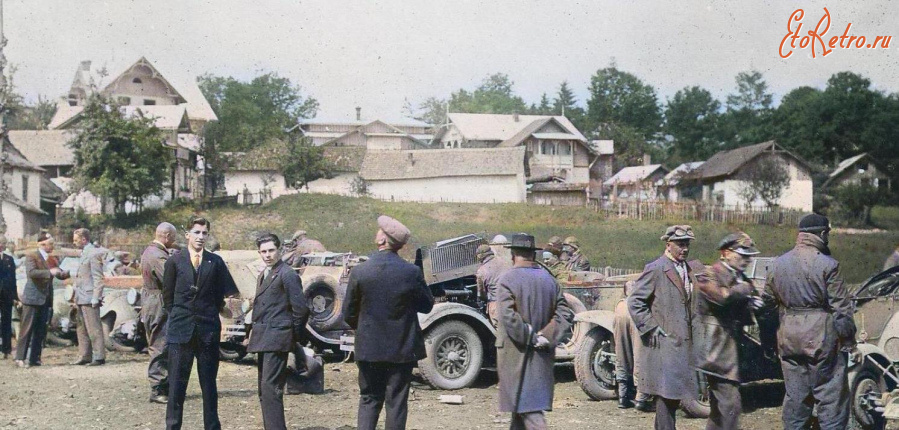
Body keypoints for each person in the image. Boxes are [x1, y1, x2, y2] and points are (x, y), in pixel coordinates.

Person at [761, 214, 857, 429]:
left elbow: (766, 307)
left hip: (788, 338)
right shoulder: (828, 265)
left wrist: (769, 340)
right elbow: (841, 310)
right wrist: (849, 341)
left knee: (795, 398)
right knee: (831, 400)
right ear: (822, 234)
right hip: (821, 338)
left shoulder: (777, 264)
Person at [343, 215, 434, 430]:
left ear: (382, 240)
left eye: (378, 232)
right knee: (396, 403)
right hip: (401, 351)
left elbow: (348, 313)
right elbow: (427, 305)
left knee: (369, 400)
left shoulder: (360, 271)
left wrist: (365, 330)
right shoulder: (411, 272)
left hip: (369, 349)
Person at [163, 216, 238, 430]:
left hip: (207, 332)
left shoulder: (215, 262)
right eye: (196, 232)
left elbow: (224, 296)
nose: (201, 237)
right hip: (181, 333)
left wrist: (212, 313)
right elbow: (167, 299)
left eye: (205, 233)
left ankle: (212, 427)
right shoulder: (174, 261)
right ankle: (173, 426)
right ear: (187, 235)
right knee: (177, 386)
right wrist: (181, 318)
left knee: (209, 386)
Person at [628, 225, 704, 430]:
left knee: (671, 397)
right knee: (666, 396)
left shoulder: (688, 269)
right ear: (668, 244)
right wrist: (651, 327)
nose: (685, 249)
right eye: (680, 244)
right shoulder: (656, 268)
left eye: (687, 244)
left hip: (682, 344)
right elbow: (635, 302)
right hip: (664, 345)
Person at [495, 233, 573, 429]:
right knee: (522, 409)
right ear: (533, 255)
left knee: (530, 412)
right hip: (541, 356)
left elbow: (508, 317)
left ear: (513, 254)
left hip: (515, 355)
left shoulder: (506, 280)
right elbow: (565, 313)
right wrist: (546, 336)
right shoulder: (549, 280)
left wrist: (530, 337)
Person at [694, 232, 762, 430]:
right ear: (725, 253)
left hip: (728, 349)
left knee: (718, 409)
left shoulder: (740, 277)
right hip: (714, 351)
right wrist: (746, 290)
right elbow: (722, 297)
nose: (747, 260)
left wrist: (751, 304)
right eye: (742, 255)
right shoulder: (709, 273)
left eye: (749, 256)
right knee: (731, 405)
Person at [247, 233, 309, 430]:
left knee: (270, 390)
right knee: (264, 391)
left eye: (271, 250)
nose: (267, 255)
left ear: (280, 250)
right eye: (263, 251)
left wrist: (291, 336)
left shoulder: (287, 274)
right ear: (259, 253)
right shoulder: (264, 274)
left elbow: (301, 309)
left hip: (277, 338)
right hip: (263, 338)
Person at [15, 232, 68, 368]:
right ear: (41, 244)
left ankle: (35, 358)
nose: (52, 246)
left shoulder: (51, 258)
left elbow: (58, 273)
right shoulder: (32, 256)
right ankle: (20, 358)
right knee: (27, 329)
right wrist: (50, 272)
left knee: (41, 330)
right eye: (50, 244)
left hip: (46, 299)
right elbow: (32, 273)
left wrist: (64, 273)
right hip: (32, 298)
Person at [141, 222, 177, 404]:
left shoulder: (150, 251)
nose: (174, 241)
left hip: (152, 299)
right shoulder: (157, 255)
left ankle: (162, 386)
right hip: (159, 302)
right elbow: (169, 279)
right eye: (173, 238)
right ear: (167, 236)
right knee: (160, 344)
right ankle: (158, 388)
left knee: (160, 343)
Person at [70, 228, 108, 366]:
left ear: (84, 239)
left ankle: (99, 356)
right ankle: (84, 355)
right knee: (81, 328)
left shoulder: (93, 254)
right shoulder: (83, 254)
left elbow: (98, 278)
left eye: (76, 240)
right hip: (80, 296)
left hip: (89, 296)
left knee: (94, 327)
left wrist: (96, 297)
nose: (74, 243)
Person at [613, 280, 652, 411]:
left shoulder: (620, 303)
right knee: (640, 355)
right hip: (636, 313)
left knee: (621, 355)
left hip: (621, 312)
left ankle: (622, 397)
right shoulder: (641, 303)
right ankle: (641, 399)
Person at [476, 243, 509, 328]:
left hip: (496, 305)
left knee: (500, 333)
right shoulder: (505, 262)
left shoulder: (481, 271)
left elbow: (481, 293)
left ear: (480, 256)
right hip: (511, 302)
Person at [0, 236, 15, 359]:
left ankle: (6, 349)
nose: (4, 245)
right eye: (2, 243)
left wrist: (14, 296)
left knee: (6, 321)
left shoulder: (9, 259)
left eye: (5, 243)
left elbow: (13, 279)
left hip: (6, 296)